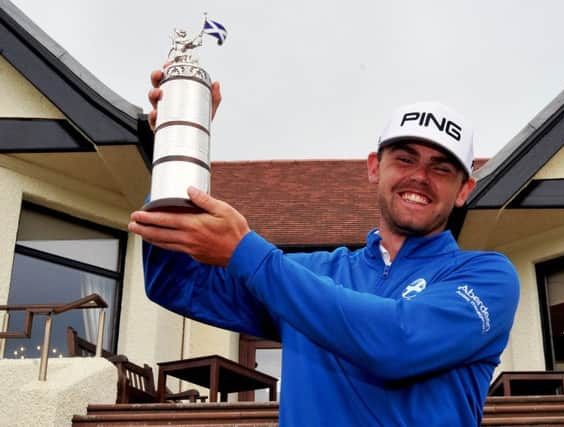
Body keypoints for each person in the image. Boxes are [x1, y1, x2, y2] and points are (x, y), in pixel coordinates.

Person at [129, 74, 520, 426]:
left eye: (441, 168)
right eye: (404, 159)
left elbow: (399, 341)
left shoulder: (486, 277)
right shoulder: (315, 272)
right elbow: (175, 282)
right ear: (374, 167)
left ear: (464, 190)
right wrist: (176, 142)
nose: (419, 176)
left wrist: (248, 253)